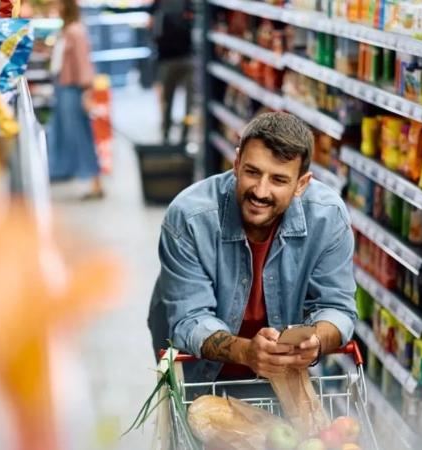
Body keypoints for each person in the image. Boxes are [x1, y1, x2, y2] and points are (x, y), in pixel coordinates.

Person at [147, 112, 357, 384]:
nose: (260, 191)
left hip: (279, 377)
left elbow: (337, 308)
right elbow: (190, 319)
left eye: (279, 180)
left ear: (301, 184)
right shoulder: (189, 217)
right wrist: (247, 352)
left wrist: (316, 339)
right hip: (197, 370)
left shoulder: (328, 218)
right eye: (252, 172)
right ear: (236, 164)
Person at [47, 0, 104, 199]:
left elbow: (83, 63)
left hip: (73, 90)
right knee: (64, 132)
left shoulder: (75, 31)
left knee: (80, 134)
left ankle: (95, 182)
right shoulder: (67, 30)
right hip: (64, 88)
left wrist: (87, 93)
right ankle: (62, 170)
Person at [151, 0, 194, 144]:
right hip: (178, 58)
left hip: (177, 58)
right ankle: (174, 136)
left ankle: (172, 136)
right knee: (175, 102)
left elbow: (152, 25)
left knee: (171, 101)